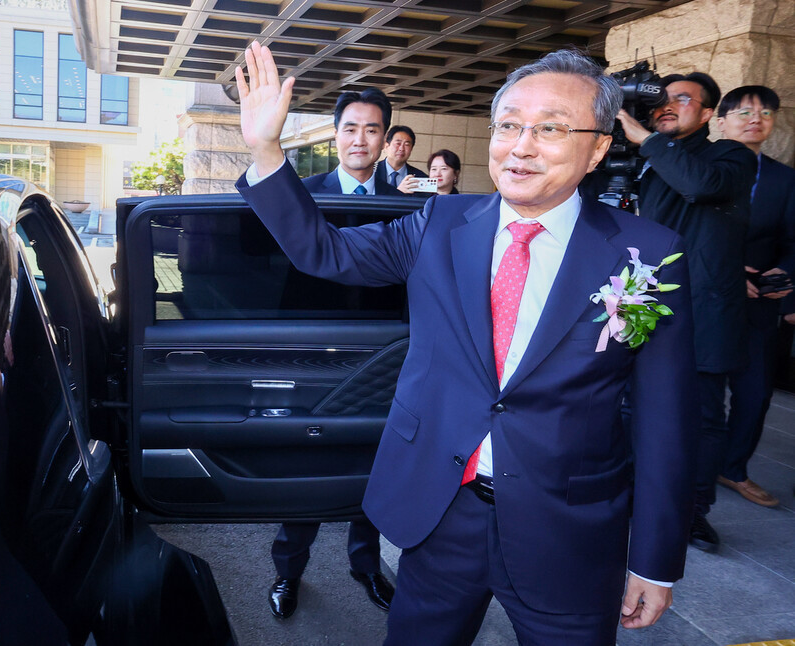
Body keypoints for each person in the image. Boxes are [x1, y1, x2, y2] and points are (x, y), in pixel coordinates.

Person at [236, 41, 697, 645]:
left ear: (599, 148)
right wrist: (266, 149)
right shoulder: (440, 223)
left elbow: (665, 422)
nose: (522, 145)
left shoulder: (646, 254)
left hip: (569, 528)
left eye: (551, 128)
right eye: (508, 125)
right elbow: (323, 250)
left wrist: (654, 559)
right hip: (443, 511)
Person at [266, 85, 397, 622]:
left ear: (385, 137)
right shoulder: (303, 191)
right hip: (316, 351)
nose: (360, 139)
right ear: (335, 134)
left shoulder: (409, 200)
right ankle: (287, 571)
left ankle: (366, 565)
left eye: (371, 129)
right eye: (350, 127)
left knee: (376, 466)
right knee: (310, 465)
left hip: (386, 355)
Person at [618, 72, 757, 552]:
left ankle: (694, 513)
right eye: (661, 99)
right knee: (631, 405)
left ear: (708, 113)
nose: (667, 105)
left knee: (701, 417)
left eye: (682, 98)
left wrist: (650, 143)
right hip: (644, 299)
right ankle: (632, 497)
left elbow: (700, 186)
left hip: (704, 309)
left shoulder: (730, 156)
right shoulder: (643, 157)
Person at [716, 85, 795, 507]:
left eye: (766, 112)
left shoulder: (784, 178)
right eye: (745, 111)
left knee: (755, 392)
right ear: (720, 120)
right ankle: (687, 464)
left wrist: (787, 271)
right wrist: (727, 273)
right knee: (694, 391)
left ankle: (732, 469)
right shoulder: (697, 167)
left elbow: (793, 240)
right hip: (705, 299)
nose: (756, 119)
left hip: (758, 304)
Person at [301, 88, 398, 196]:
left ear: (384, 139)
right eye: (350, 130)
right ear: (336, 136)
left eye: (371, 131)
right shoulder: (303, 192)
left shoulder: (399, 201)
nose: (359, 141)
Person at [379, 125, 427, 192]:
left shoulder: (420, 178)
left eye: (407, 145)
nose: (401, 149)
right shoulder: (371, 172)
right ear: (386, 146)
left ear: (411, 149)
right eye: (398, 143)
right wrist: (398, 192)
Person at [397, 149, 462, 196]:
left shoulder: (461, 201)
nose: (437, 174)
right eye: (434, 169)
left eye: (443, 169)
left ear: (456, 174)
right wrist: (399, 193)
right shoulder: (417, 196)